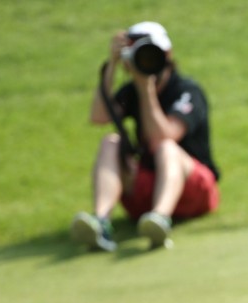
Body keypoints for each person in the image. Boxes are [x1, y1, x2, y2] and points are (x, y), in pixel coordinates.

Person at [70, 21, 220, 251]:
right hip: (147, 189)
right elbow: (99, 117)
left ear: (167, 54)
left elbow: (163, 137)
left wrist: (146, 90)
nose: (146, 61)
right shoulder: (130, 92)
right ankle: (101, 222)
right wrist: (112, 64)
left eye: (151, 53)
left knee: (166, 147)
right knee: (111, 142)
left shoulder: (187, 91)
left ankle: (160, 220)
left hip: (194, 191)